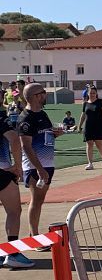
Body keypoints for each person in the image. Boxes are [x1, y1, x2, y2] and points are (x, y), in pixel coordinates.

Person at [18, 83, 64, 238]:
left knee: (40, 200)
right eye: (43, 92)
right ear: (35, 96)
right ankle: (34, 236)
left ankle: (35, 234)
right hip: (35, 166)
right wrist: (39, 168)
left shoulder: (42, 114)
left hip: (47, 163)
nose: (46, 95)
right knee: (36, 200)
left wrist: (55, 134)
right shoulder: (26, 118)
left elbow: (46, 134)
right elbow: (26, 146)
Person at [0, 112, 27, 268]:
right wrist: (17, 165)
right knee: (14, 211)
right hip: (3, 171)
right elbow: (14, 139)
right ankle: (13, 253)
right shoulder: (2, 118)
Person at [78, 85, 102, 169]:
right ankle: (90, 163)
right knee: (89, 144)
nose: (92, 94)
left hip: (99, 125)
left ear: (96, 93)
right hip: (88, 126)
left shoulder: (100, 102)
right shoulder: (85, 103)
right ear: (88, 94)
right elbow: (83, 115)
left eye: (94, 93)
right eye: (90, 93)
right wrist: (79, 125)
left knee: (99, 143)